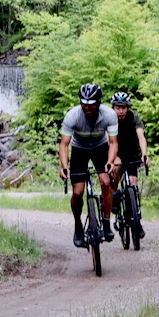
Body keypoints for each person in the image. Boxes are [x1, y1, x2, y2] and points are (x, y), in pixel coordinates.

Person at [59, 82, 120, 248]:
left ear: (99, 103)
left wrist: (110, 161)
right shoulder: (72, 116)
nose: (87, 108)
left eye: (91, 105)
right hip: (79, 148)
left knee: (106, 182)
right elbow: (64, 145)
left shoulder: (109, 115)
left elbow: (113, 143)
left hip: (100, 147)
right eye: (83, 104)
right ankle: (78, 226)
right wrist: (65, 166)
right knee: (78, 192)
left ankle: (106, 223)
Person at [109, 90, 148, 238]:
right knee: (116, 168)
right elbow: (107, 140)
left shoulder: (134, 117)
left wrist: (144, 154)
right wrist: (111, 159)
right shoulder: (110, 119)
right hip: (116, 152)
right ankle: (114, 197)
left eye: (123, 107)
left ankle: (136, 221)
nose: (121, 110)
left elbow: (141, 137)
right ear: (113, 107)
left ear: (128, 108)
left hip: (131, 152)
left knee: (133, 185)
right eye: (118, 107)